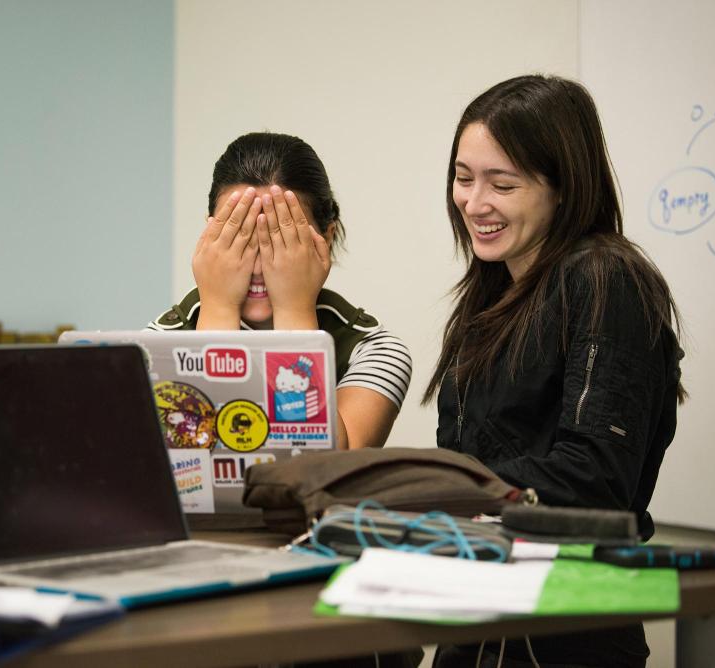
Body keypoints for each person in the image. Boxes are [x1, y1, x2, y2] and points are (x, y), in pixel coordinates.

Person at [425, 75, 685, 667]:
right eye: (463, 179)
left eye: (503, 184)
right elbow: (466, 455)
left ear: (563, 188)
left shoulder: (604, 276)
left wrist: (433, 494)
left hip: (565, 631)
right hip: (481, 612)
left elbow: (595, 474)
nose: (473, 202)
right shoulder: (490, 293)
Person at [149, 132, 412, 451]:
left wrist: (294, 309)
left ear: (324, 238)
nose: (259, 265)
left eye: (280, 239)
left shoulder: (374, 350)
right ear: (210, 238)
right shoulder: (154, 347)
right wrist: (218, 309)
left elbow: (329, 468)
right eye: (241, 237)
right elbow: (190, 460)